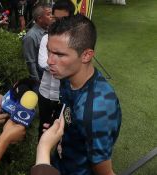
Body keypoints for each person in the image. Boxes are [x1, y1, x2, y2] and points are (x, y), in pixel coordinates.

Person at [47, 14, 121, 174]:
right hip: (61, 163)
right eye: (49, 51)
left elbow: (105, 172)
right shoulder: (67, 77)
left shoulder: (95, 111)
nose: (49, 61)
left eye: (59, 55)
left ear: (86, 55)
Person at [37, 0, 75, 138]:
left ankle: (58, 156)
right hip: (45, 92)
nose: (59, 23)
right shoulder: (46, 38)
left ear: (71, 19)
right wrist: (63, 65)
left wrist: (52, 63)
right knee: (43, 127)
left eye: (63, 19)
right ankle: (41, 157)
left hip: (66, 95)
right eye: (56, 19)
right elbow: (42, 63)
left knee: (64, 130)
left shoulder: (75, 40)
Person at [22, 4, 52, 81]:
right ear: (40, 18)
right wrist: (36, 81)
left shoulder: (50, 31)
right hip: (41, 79)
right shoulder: (30, 36)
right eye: (48, 14)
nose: (52, 17)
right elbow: (30, 62)